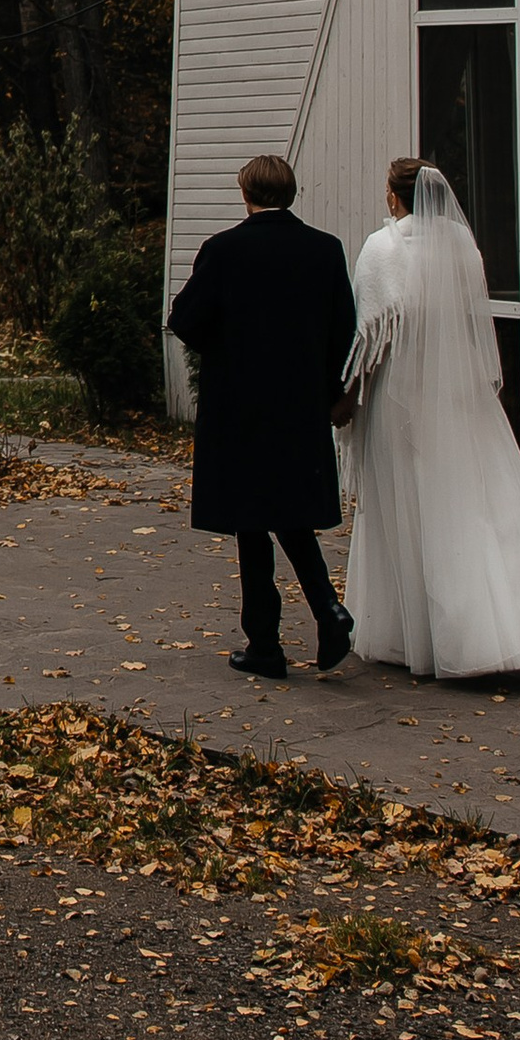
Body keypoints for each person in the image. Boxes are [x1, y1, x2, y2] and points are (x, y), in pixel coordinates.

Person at [343, 158, 520, 680]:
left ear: (396, 197)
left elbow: (370, 333)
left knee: (407, 501)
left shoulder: (382, 247)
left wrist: (347, 394)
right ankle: (504, 626)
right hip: (459, 388)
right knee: (473, 498)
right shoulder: (462, 244)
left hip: (401, 388)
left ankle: (411, 630)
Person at [169, 151, 358, 680]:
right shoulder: (325, 250)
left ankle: (266, 643)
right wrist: (327, 388)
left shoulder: (225, 251)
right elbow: (345, 328)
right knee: (291, 513)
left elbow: (184, 319)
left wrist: (226, 349)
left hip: (240, 405)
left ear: (246, 193)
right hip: (299, 405)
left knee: (251, 522)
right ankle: (326, 610)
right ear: (291, 193)